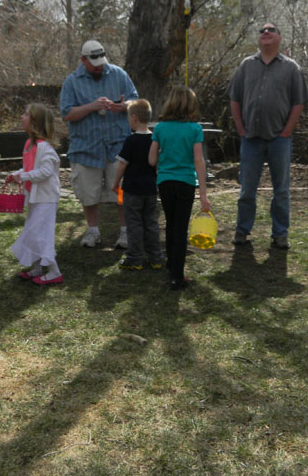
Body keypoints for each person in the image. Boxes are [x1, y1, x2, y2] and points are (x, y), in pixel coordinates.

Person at [228, 21, 308, 250]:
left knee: (281, 190)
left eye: (271, 30)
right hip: (250, 139)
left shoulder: (291, 68)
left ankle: (280, 234)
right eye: (262, 30)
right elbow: (234, 98)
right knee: (247, 190)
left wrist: (286, 132)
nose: (265, 32)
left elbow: (299, 102)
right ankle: (242, 231)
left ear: (279, 38)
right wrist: (240, 128)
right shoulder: (246, 65)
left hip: (278, 140)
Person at [59, 40, 138, 249]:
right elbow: (66, 113)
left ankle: (125, 232)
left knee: (121, 192)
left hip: (118, 146)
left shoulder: (119, 74)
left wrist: (123, 106)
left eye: (101, 63)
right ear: (83, 60)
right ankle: (93, 231)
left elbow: (135, 101)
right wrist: (91, 106)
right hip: (86, 147)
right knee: (88, 193)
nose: (98, 67)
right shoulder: (72, 82)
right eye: (94, 64)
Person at [149, 86, 211, 290]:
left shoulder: (160, 128)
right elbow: (198, 160)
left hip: (165, 182)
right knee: (180, 228)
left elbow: (151, 160)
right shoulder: (195, 129)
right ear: (191, 106)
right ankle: (177, 276)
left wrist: (163, 156)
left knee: (170, 224)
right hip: (186, 183)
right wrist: (203, 193)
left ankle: (170, 265)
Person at [6, 103, 63, 286]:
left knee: (40, 234)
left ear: (35, 122)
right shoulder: (29, 145)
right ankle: (37, 268)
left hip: (46, 198)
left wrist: (23, 176)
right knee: (33, 231)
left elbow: (46, 172)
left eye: (26, 114)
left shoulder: (45, 148)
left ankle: (54, 272)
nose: (21, 117)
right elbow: (30, 167)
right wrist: (17, 174)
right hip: (34, 196)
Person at [112, 99, 163, 271]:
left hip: (132, 190)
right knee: (151, 223)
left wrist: (116, 182)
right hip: (150, 189)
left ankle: (134, 258)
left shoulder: (131, 140)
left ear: (134, 118)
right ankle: (155, 257)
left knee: (133, 224)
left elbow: (122, 165)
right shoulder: (155, 139)